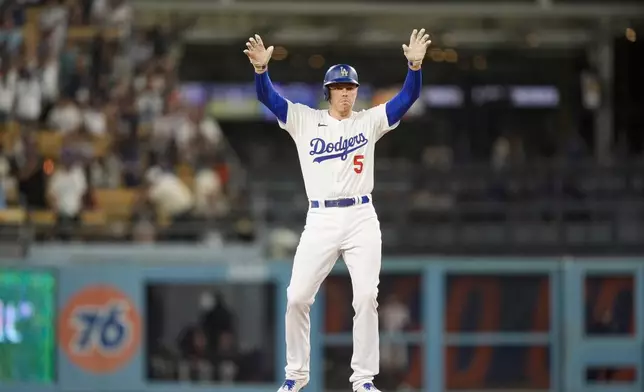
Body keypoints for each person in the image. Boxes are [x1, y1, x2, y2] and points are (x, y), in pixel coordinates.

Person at [244, 29, 430, 392]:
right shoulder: (304, 119)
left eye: (351, 87)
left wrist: (415, 65)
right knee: (297, 297)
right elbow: (267, 97)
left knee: (365, 297)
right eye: (339, 88)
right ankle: (296, 376)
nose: (346, 93)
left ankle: (363, 380)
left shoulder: (368, 121)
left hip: (361, 216)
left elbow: (409, 96)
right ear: (328, 91)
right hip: (321, 218)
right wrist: (261, 71)